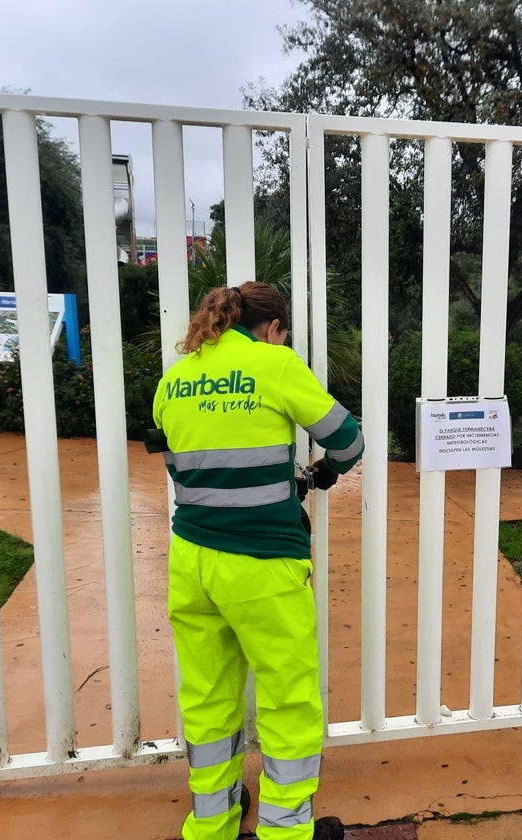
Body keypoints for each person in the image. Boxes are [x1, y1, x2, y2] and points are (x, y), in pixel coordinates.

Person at [152, 281, 363, 840]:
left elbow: (184, 465)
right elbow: (348, 441)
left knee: (207, 698)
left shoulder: (176, 378)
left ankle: (212, 821)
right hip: (263, 562)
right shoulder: (276, 365)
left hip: (192, 559)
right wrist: (321, 473)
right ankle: (286, 830)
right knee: (287, 698)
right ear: (272, 329)